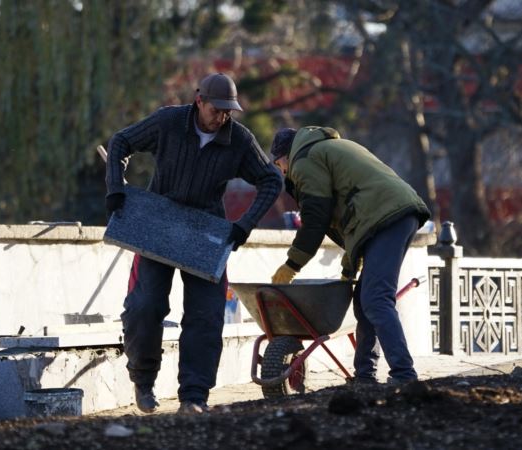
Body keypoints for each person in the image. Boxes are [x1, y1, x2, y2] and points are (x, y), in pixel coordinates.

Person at [105, 73, 282, 414]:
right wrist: (116, 187)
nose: (223, 117)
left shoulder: (239, 141)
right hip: (157, 224)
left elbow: (271, 181)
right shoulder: (168, 122)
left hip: (205, 233)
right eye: (217, 109)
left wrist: (244, 225)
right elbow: (120, 142)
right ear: (199, 101)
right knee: (144, 306)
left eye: (229, 111)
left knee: (206, 316)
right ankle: (143, 381)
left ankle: (194, 397)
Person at [269, 126, 430, 384]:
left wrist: (292, 264)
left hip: (387, 217)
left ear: (284, 156)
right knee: (364, 300)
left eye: (279, 165)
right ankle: (365, 375)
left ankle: (404, 374)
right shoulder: (328, 148)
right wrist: (350, 263)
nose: (283, 172)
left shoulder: (305, 161)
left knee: (377, 299)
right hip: (395, 214)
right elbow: (349, 211)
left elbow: (316, 220)